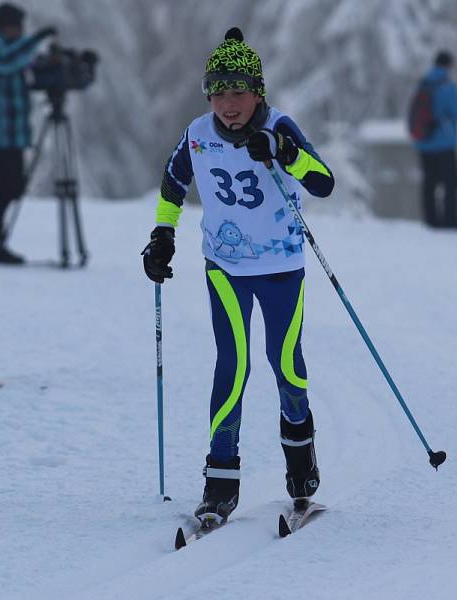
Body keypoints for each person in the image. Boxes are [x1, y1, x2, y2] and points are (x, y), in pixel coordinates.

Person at [141, 28, 334, 524]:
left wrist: (284, 151)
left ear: (258, 93)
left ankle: (301, 466)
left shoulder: (280, 126)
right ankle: (220, 483)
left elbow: (323, 181)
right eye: (219, 92)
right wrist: (163, 235)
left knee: (286, 365)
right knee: (233, 365)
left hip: (281, 269)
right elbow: (172, 183)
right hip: (225, 267)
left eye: (239, 92)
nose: (228, 104)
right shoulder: (198, 133)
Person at [0, 3, 55, 264]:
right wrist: (35, 40)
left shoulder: (9, 48)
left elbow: (15, 63)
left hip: (11, 134)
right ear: (3, 26)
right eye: (15, 28)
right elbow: (4, 62)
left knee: (11, 187)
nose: (18, 34)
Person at [412, 50, 457, 229]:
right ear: (449, 65)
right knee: (451, 183)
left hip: (423, 142)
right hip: (444, 143)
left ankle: (431, 220)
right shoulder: (447, 86)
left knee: (429, 182)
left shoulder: (424, 83)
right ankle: (450, 220)